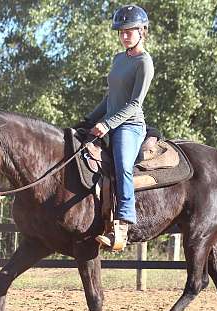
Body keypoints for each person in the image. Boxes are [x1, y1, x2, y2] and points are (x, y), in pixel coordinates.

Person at [74, 5, 154, 250]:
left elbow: (133, 104)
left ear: (142, 31)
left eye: (130, 30)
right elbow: (111, 98)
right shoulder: (119, 59)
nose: (124, 35)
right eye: (121, 31)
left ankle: (122, 225)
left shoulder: (144, 62)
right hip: (108, 122)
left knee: (122, 166)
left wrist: (107, 124)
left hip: (129, 126)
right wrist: (88, 120)